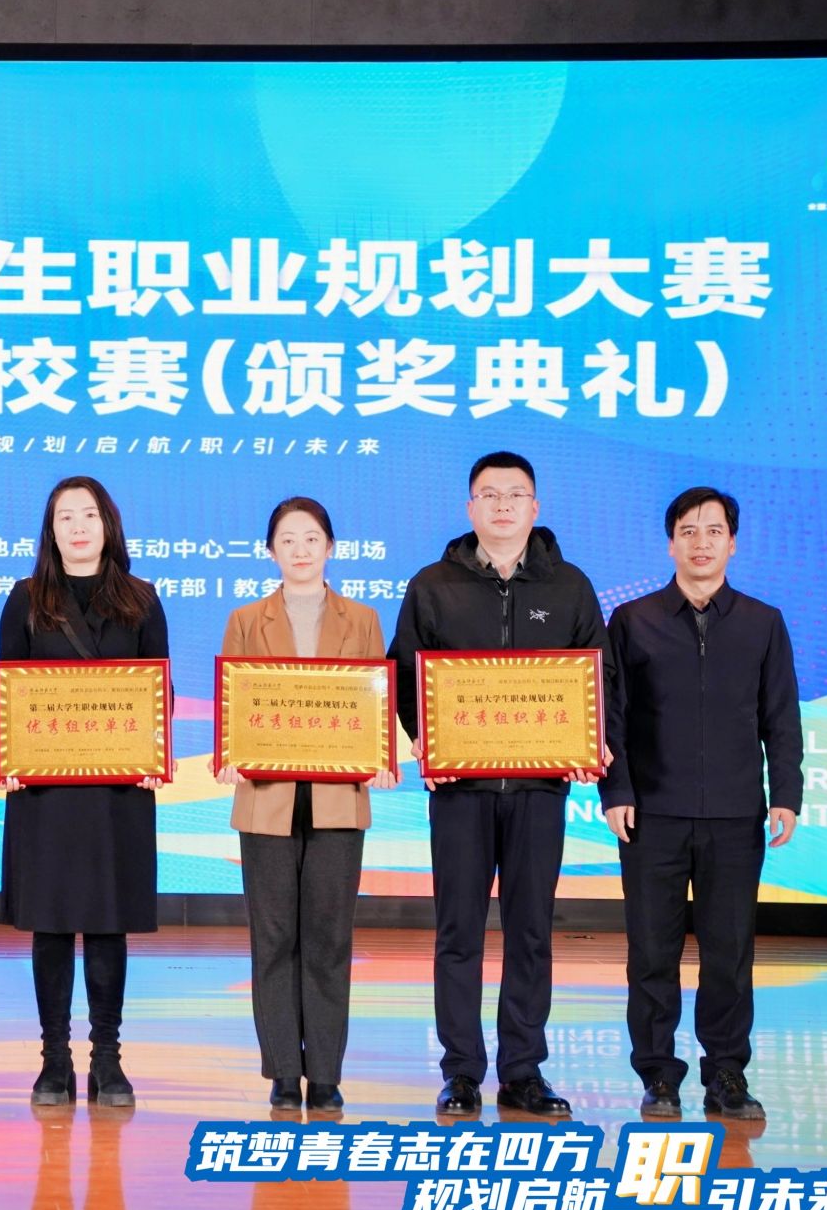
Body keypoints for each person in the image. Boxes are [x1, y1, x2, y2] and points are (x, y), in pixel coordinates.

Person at [389, 450, 609, 1119]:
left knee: (531, 930)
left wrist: (589, 739)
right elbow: (405, 676)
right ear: (471, 507)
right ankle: (461, 1072)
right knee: (458, 931)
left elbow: (598, 675)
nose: (503, 505)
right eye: (490, 494)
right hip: (461, 790)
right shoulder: (433, 585)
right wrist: (426, 742)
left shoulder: (570, 586)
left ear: (535, 507)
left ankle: (523, 1070)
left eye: (515, 494)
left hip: (540, 790)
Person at [603, 487, 802, 1121]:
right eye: (688, 531)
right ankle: (658, 1076)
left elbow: (781, 716)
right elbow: (613, 717)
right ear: (670, 544)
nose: (701, 542)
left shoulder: (762, 621)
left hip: (737, 814)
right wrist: (616, 791)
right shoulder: (632, 620)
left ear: (732, 543)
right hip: (652, 814)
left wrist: (786, 795)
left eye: (713, 531)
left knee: (729, 953)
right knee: (651, 953)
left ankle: (727, 1075)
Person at [216, 496, 397, 1113]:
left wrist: (380, 756)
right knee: (272, 939)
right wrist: (229, 753)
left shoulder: (362, 619)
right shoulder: (246, 620)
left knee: (328, 938)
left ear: (331, 547)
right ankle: (282, 1071)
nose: (300, 549)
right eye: (288, 539)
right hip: (265, 798)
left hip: (338, 799)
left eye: (311, 538)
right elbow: (234, 704)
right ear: (270, 550)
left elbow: (374, 700)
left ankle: (324, 1073)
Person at [0, 475, 168, 1108]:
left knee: (106, 925)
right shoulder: (25, 599)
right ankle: (53, 1060)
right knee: (49, 928)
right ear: (50, 529)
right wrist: (9, 755)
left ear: (108, 524)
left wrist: (154, 753)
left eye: (88, 515)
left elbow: (159, 692)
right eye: (65, 516)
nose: (77, 526)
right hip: (46, 792)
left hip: (116, 790)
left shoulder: (142, 599)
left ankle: (107, 1059)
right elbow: (9, 690)